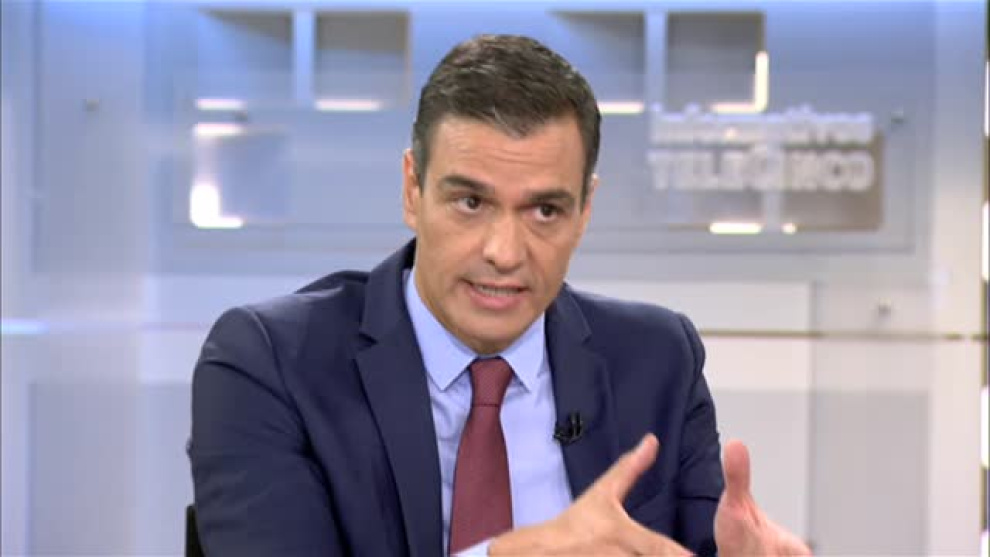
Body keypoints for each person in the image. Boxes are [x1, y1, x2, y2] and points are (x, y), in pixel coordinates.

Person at [189, 34, 811, 556]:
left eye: (545, 210)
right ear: (412, 189)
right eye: (470, 202)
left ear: (585, 210)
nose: (505, 252)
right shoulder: (271, 362)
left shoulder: (657, 360)